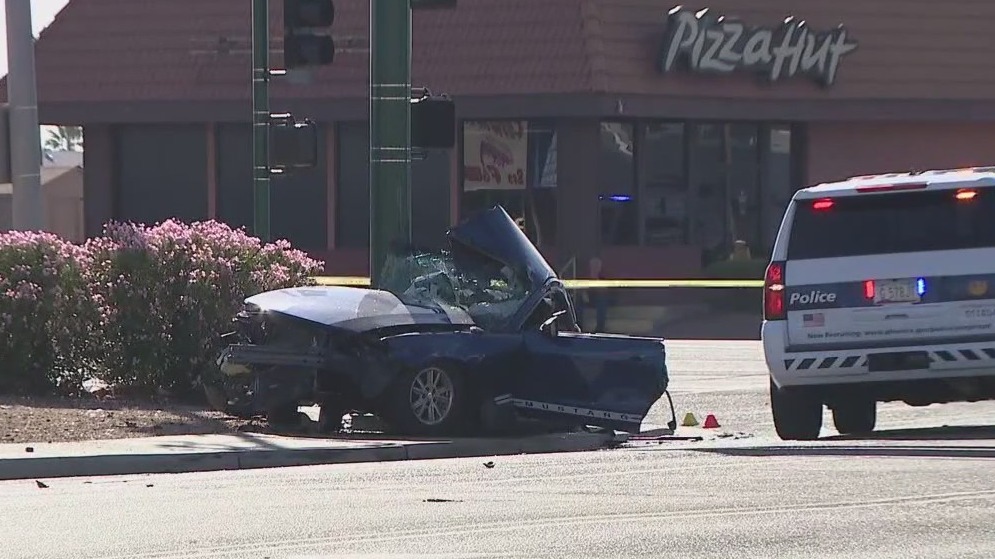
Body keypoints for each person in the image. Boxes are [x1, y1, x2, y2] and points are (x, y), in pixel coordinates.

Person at [576, 255, 608, 333]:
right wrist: (584, 293)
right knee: (578, 302)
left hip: (599, 299)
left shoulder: (603, 277)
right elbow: (581, 288)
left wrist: (596, 278)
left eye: (597, 266)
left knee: (602, 302)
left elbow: (604, 291)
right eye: (593, 265)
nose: (595, 267)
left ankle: (600, 328)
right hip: (589, 299)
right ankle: (578, 326)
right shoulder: (586, 276)